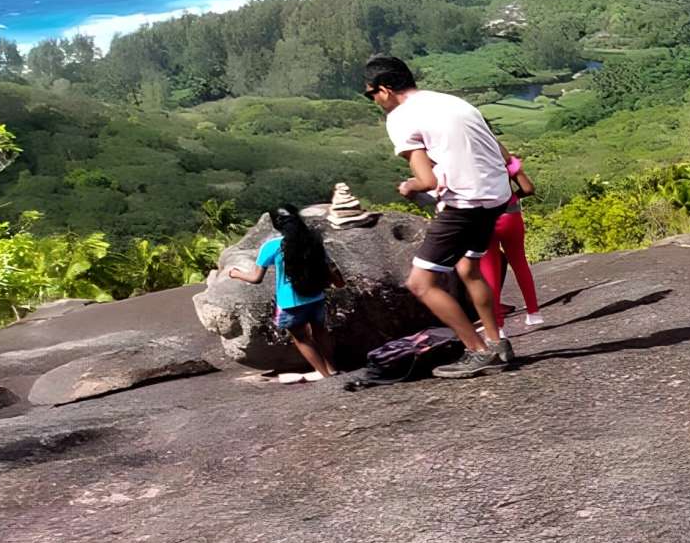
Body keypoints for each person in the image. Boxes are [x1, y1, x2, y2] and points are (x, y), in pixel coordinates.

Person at [364, 55, 513, 379]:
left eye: (371, 93)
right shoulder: (450, 101)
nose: (373, 100)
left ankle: (478, 351)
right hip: (497, 195)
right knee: (468, 268)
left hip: (465, 202)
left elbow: (427, 181)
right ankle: (497, 341)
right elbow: (496, 150)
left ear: (386, 89)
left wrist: (409, 185)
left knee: (420, 283)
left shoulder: (400, 118)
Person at [225, 206, 343, 383]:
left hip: (290, 302)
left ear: (277, 225)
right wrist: (339, 283)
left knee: (302, 338)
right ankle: (333, 369)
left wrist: (235, 273)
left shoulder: (272, 246)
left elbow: (256, 278)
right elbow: (329, 267)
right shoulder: (313, 240)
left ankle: (326, 377)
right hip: (316, 296)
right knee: (320, 332)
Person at [477, 151, 544, 330]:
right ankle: (534, 313)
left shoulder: (464, 161)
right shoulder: (503, 158)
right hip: (511, 215)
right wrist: (513, 197)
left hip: (482, 220)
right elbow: (528, 188)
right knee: (520, 262)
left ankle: (497, 326)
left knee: (489, 269)